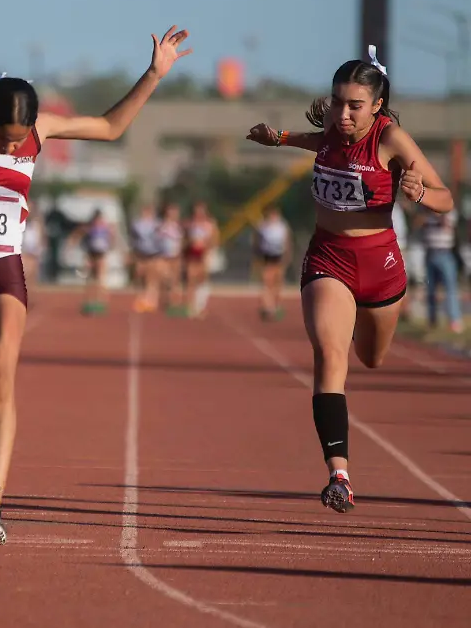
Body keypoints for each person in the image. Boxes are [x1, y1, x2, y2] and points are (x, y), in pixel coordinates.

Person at [0, 25, 191, 545]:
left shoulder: (39, 130)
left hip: (1, 272)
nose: (10, 146)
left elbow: (110, 127)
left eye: (17, 139)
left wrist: (153, 74)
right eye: (2, 137)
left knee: (0, 378)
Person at [246, 46, 454, 514]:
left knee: (371, 358)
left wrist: (420, 192)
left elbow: (446, 198)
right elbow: (315, 141)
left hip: (381, 267)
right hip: (329, 259)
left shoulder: (391, 139)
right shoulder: (331, 129)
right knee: (329, 353)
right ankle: (339, 475)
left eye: (354, 106)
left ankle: (357, 322)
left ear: (377, 105)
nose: (342, 114)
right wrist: (277, 138)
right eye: (337, 102)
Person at [253, 206, 292, 321]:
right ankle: (267, 306)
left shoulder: (282, 226)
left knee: (278, 281)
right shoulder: (262, 226)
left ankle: (277, 305)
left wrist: (287, 255)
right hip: (267, 256)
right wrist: (257, 255)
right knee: (267, 281)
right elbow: (257, 241)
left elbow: (287, 241)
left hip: (278, 256)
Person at [182, 201, 218, 319]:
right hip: (192, 255)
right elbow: (184, 239)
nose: (199, 213)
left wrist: (207, 247)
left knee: (202, 280)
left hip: (204, 255)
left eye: (201, 211)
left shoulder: (210, 224)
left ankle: (201, 306)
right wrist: (190, 243)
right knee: (191, 280)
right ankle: (190, 307)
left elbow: (215, 239)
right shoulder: (189, 224)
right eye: (197, 211)